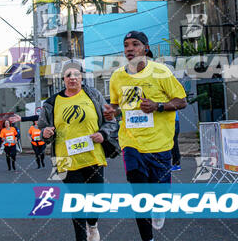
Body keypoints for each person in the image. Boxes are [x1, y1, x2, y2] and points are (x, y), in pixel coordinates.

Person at [12, 59, 118, 241]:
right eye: (68, 75)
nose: (73, 78)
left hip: (93, 156)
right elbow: (43, 131)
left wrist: (103, 134)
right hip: (64, 159)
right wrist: (46, 133)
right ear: (63, 78)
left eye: (76, 74)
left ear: (82, 77)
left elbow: (111, 122)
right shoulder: (51, 103)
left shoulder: (94, 96)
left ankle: (92, 225)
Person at [104, 31, 187, 241]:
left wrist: (159, 106)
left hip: (160, 144)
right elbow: (116, 104)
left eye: (135, 44)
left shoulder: (160, 72)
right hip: (131, 142)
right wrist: (112, 111)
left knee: (160, 191)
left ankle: (159, 207)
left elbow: (181, 101)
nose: (129, 49)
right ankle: (147, 238)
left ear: (145, 48)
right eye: (126, 45)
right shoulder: (117, 76)